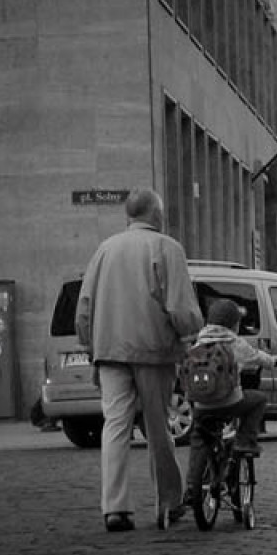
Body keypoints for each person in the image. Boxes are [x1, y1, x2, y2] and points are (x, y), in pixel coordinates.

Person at [75, 187, 202, 533]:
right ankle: (168, 501)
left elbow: (84, 306)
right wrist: (191, 332)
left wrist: (91, 345)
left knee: (115, 425)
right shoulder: (166, 248)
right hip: (153, 350)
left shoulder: (104, 250)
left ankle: (115, 508)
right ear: (156, 215)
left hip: (109, 350)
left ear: (128, 216)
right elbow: (180, 307)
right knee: (158, 426)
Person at [186, 300, 277, 466]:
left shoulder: (199, 341)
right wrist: (272, 361)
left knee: (198, 441)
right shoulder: (234, 342)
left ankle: (192, 487)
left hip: (201, 405)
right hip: (230, 402)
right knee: (259, 399)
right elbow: (257, 357)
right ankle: (245, 440)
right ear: (234, 325)